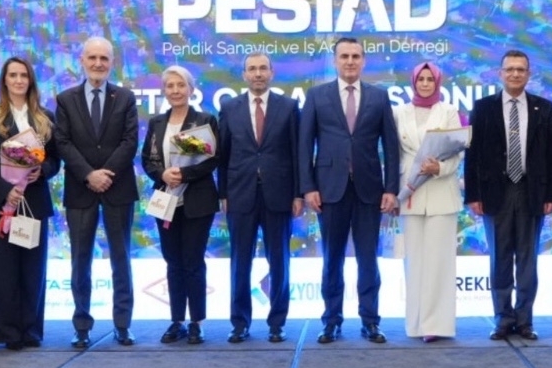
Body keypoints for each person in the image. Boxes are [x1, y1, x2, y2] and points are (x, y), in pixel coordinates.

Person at [299, 37, 401, 344]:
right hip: (330, 190)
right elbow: (304, 145)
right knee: (332, 259)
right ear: (335, 61)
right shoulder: (316, 95)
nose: (350, 61)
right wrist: (308, 187)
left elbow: (391, 146)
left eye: (356, 56)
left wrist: (391, 188)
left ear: (363, 61)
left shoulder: (379, 97)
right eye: (344, 56)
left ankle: (370, 321)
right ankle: (331, 321)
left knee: (369, 258)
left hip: (370, 190)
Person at [465, 50, 552, 342]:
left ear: (528, 74)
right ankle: (503, 319)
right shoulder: (483, 108)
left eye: (521, 69)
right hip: (495, 193)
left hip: (532, 192)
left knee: (528, 260)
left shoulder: (544, 108)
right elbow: (473, 155)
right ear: (500, 73)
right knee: (500, 258)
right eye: (510, 69)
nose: (515, 74)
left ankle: (525, 320)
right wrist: (473, 195)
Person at [53, 36, 141, 348]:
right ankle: (81, 326)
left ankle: (122, 325)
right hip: (81, 189)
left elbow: (130, 141)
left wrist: (106, 174)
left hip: (118, 188)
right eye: (92, 58)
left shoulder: (125, 97)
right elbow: (62, 142)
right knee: (80, 260)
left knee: (121, 258)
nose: (98, 63)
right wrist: (89, 174)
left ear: (112, 62)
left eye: (104, 58)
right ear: (82, 61)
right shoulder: (66, 99)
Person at [0, 57, 62, 351]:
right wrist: (4, 190)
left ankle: (31, 331)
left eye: (24, 75)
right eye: (13, 75)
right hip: (1, 205)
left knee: (33, 271)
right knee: (3, 272)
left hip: (34, 202)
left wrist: (42, 170)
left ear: (31, 80)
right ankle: (8, 333)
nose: (19, 80)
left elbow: (55, 160)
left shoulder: (45, 117)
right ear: (4, 80)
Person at [218, 53, 302, 344]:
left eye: (262, 68)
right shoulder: (229, 108)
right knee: (240, 262)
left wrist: (298, 193)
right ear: (244, 75)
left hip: (279, 194)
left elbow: (297, 153)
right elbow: (223, 155)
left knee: (279, 261)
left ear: (272, 73)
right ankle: (239, 323)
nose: (257, 74)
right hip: (239, 195)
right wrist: (223, 193)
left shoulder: (288, 107)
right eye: (252, 69)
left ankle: (277, 322)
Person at [144, 65, 221, 345]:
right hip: (165, 200)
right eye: (170, 86)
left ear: (191, 89)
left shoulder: (204, 120)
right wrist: (162, 174)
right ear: (164, 90)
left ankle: (196, 322)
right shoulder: (157, 122)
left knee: (193, 262)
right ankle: (176, 320)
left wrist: (184, 174)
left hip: (197, 201)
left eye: (181, 85)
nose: (175, 90)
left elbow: (214, 158)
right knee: (173, 262)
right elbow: (147, 159)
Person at [392, 62, 463, 342]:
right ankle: (415, 324)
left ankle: (436, 326)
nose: (424, 83)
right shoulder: (399, 112)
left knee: (439, 263)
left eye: (429, 79)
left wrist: (440, 168)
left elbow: (457, 152)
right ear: (413, 81)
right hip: (409, 192)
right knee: (414, 263)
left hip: (442, 193)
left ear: (437, 82)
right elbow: (393, 154)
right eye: (420, 79)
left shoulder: (449, 111)